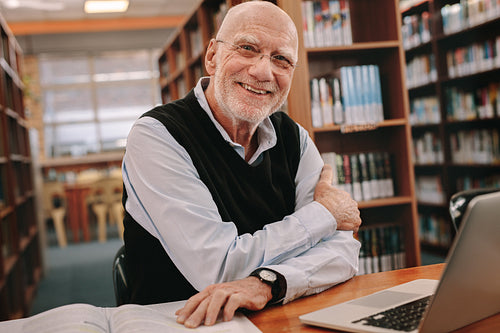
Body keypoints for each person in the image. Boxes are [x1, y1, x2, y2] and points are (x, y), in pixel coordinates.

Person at [121, 0, 362, 329]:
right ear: (212, 57)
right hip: (183, 322)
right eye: (248, 48)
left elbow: (344, 252)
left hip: (279, 315)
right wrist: (326, 215)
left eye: (281, 59)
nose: (263, 71)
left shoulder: (294, 138)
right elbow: (218, 268)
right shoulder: (158, 136)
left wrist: (268, 283)